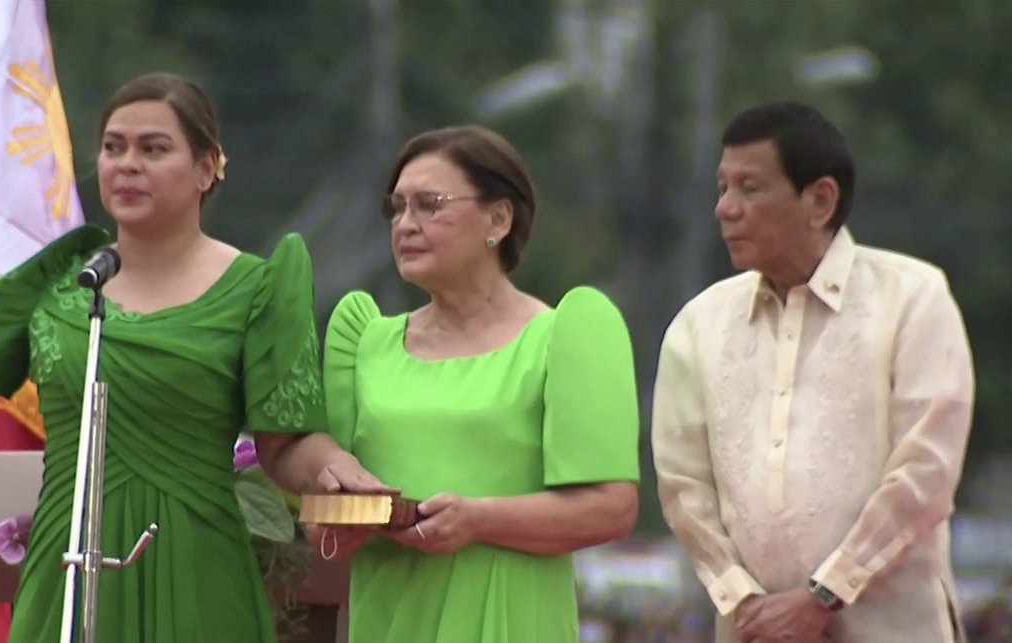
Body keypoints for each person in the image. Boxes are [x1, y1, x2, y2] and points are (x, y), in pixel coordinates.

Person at [0, 72, 387, 642]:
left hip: (197, 570)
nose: (127, 164)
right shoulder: (65, 277)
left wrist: (335, 470)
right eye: (114, 147)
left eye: (153, 148)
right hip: (67, 566)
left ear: (207, 167)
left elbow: (286, 443)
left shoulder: (258, 289)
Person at [652, 101, 974, 642]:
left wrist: (824, 595)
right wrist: (744, 600)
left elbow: (926, 473)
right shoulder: (698, 325)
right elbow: (684, 486)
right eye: (722, 187)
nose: (724, 209)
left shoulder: (913, 299)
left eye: (749, 189)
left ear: (820, 199)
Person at [314, 125, 641, 642]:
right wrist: (343, 520)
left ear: (499, 218)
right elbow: (322, 519)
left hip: (511, 620)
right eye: (396, 209)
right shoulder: (361, 342)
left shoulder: (565, 336)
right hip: (391, 618)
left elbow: (611, 508)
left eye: (429, 205)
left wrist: (479, 520)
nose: (405, 225)